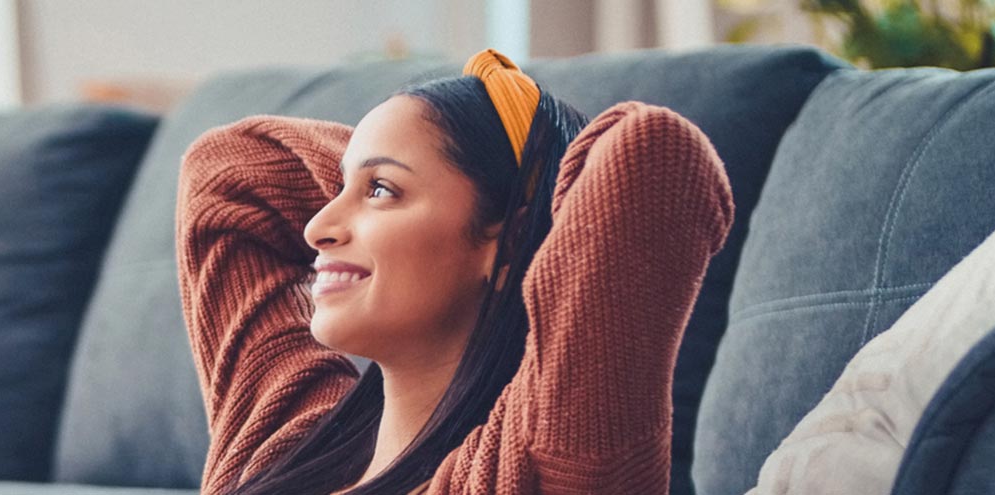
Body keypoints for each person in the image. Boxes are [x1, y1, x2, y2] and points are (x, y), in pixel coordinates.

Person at [174, 49, 735, 494]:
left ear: (510, 240)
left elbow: (654, 153)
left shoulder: (536, 465)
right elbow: (227, 166)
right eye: (339, 189)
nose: (317, 226)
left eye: (381, 191)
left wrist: (523, 195)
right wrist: (386, 164)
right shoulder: (284, 436)